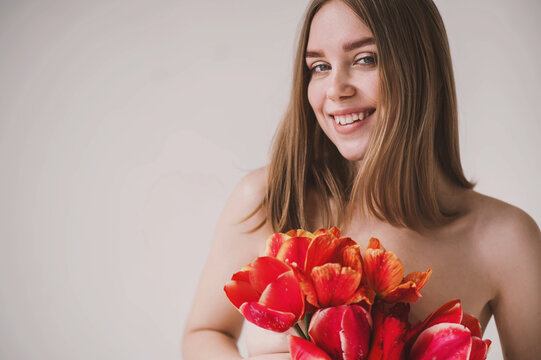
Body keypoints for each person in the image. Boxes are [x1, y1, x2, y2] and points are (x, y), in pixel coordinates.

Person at [182, 0, 541, 359]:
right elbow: (204, 333)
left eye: (365, 59)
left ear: (419, 67)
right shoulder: (267, 199)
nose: (335, 88)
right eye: (319, 67)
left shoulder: (506, 240)